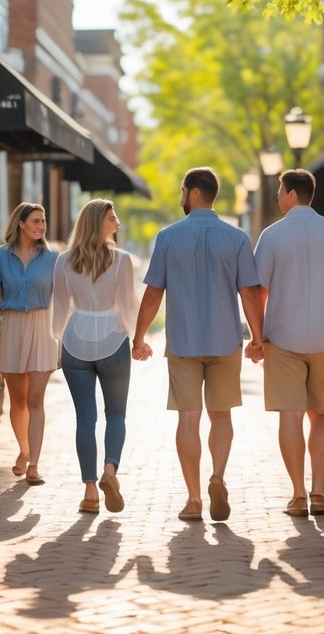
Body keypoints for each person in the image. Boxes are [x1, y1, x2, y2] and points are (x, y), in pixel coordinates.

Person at [133, 167, 264, 522]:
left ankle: (193, 499)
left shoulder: (167, 237)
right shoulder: (236, 238)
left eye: (181, 189)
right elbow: (249, 291)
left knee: (188, 418)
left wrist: (139, 336)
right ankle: (217, 476)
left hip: (183, 341)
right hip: (225, 340)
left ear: (192, 193)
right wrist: (258, 337)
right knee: (221, 415)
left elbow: (153, 292)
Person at [253, 170, 324, 517]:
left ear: (292, 194)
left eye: (280, 191)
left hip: (282, 337)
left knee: (290, 414)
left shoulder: (272, 235)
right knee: (322, 414)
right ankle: (319, 491)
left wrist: (257, 335)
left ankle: (297, 494)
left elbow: (260, 290)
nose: (277, 197)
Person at [52, 199, 140, 514]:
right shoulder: (120, 260)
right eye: (113, 218)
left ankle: (90, 492)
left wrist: (57, 343)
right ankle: (110, 471)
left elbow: (60, 306)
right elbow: (128, 304)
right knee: (116, 415)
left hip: (75, 340)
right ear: (99, 223)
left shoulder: (63, 260)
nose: (117, 223)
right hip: (113, 339)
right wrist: (138, 338)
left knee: (85, 419)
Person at [0, 203, 58, 486]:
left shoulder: (53, 259)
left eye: (44, 221)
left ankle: (34, 465)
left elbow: (62, 298)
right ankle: (24, 451)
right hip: (12, 325)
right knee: (17, 399)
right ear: (21, 224)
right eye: (36, 221)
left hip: (43, 326)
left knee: (36, 399)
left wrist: (63, 334)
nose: (41, 226)